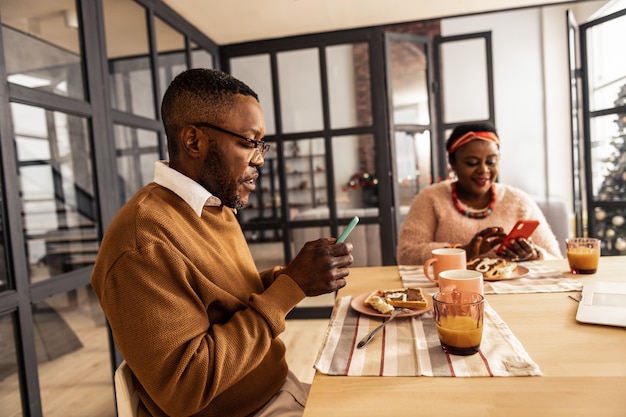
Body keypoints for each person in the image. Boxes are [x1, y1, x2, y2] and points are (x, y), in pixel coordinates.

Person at [91, 68, 353, 417]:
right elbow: (185, 387)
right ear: (194, 141)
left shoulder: (213, 206)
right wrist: (290, 288)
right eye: (248, 142)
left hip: (277, 389)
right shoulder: (143, 241)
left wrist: (292, 277)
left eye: (262, 145)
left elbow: (226, 301)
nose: (259, 158)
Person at [396, 121, 562, 265]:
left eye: (491, 162)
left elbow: (556, 259)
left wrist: (533, 255)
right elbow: (406, 254)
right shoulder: (431, 198)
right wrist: (462, 252)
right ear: (453, 163)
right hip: (451, 291)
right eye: (472, 163)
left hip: (511, 293)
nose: (484, 170)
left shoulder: (519, 201)